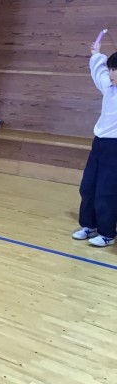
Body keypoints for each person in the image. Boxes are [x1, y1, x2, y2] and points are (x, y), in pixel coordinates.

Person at [72, 41, 117, 247]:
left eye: (114, 70)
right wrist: (96, 53)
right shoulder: (109, 87)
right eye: (111, 69)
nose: (110, 73)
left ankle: (107, 233)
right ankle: (89, 225)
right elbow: (98, 72)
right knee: (88, 186)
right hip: (99, 144)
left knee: (107, 190)